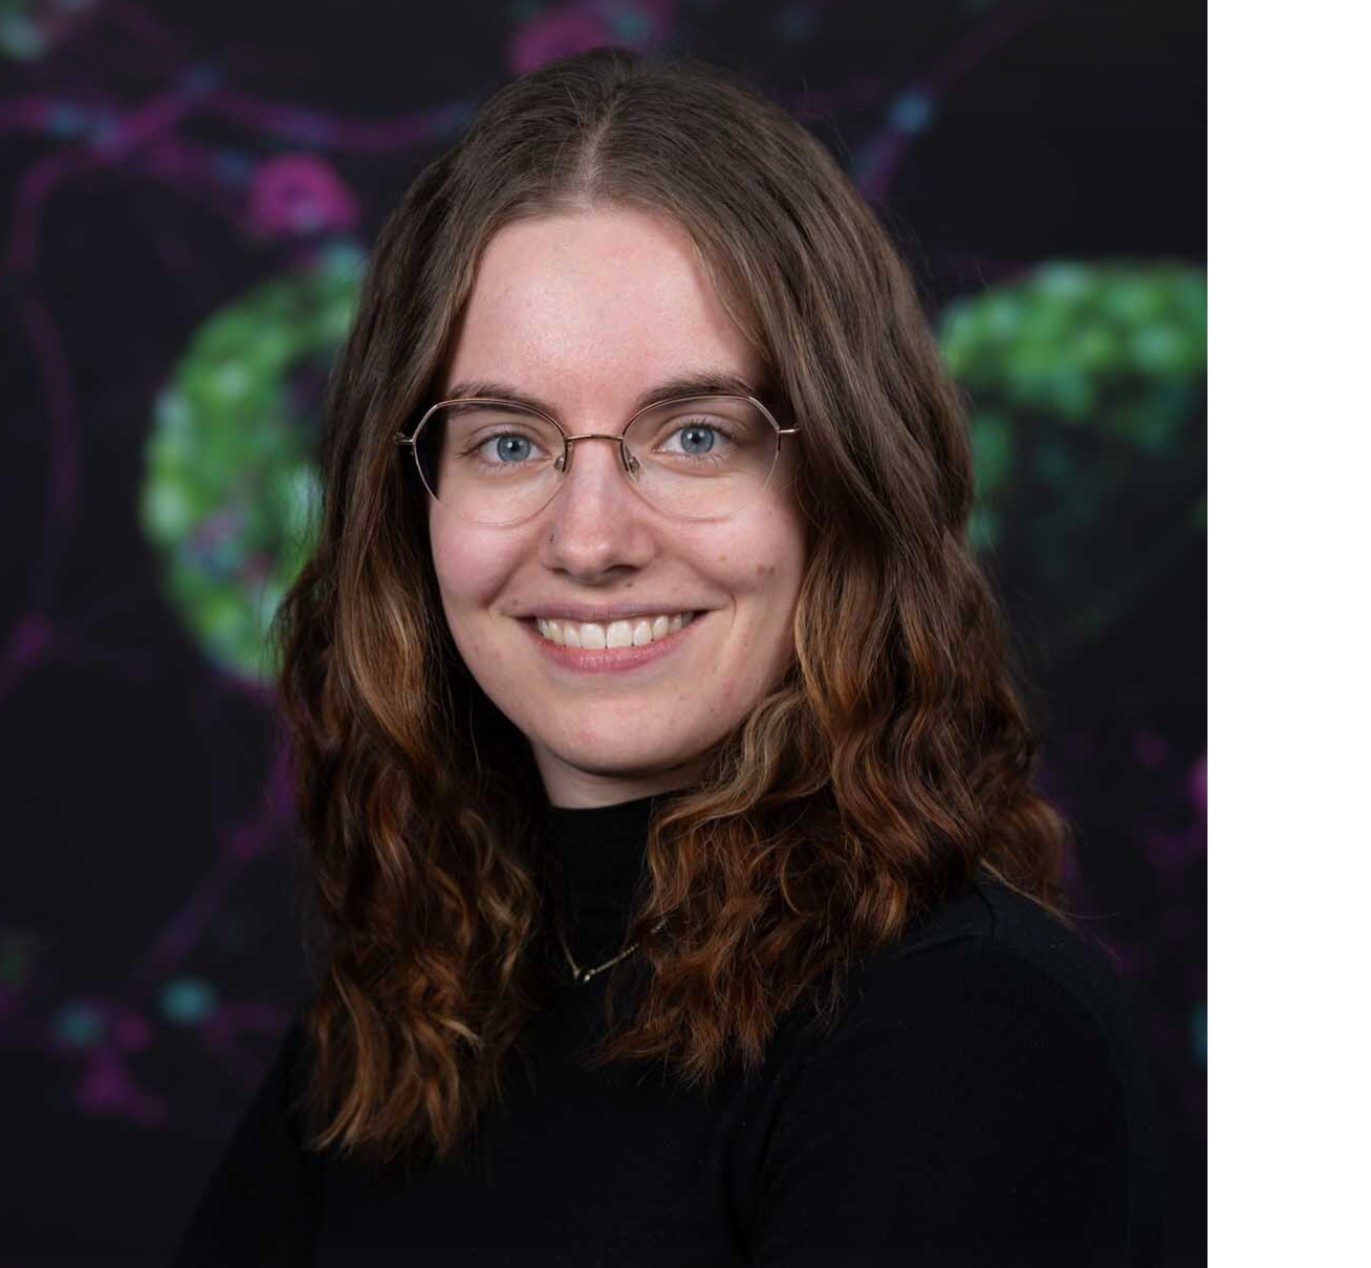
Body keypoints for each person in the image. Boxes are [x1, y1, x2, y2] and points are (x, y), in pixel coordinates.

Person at [173, 46, 1164, 1268]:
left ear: (846, 480)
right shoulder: (404, 1016)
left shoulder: (967, 1034)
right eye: (506, 442)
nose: (590, 540)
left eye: (696, 434)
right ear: (408, 502)